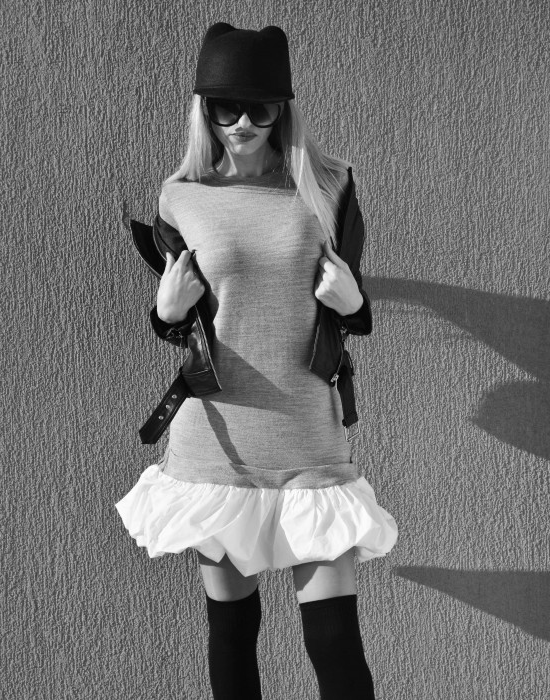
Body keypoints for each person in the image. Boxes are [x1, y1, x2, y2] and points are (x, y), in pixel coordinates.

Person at [115, 22, 398, 700]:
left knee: (335, 643)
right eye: (224, 107)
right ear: (203, 110)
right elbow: (180, 326)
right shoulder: (180, 197)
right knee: (234, 634)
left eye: (259, 108)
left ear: (283, 110)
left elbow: (353, 311)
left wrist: (355, 302)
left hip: (307, 437)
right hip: (218, 443)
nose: (241, 122)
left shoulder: (328, 186)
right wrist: (165, 312)